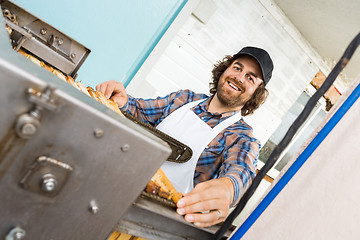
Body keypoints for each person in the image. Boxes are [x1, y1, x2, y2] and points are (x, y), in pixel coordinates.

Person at [96, 46, 274, 228]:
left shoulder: (242, 138)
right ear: (226, 68)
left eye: (250, 78)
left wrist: (227, 189)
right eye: (237, 68)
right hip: (118, 186)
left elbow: (240, 172)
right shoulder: (184, 99)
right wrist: (121, 99)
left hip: (153, 223)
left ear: (256, 93)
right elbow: (138, 110)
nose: (239, 77)